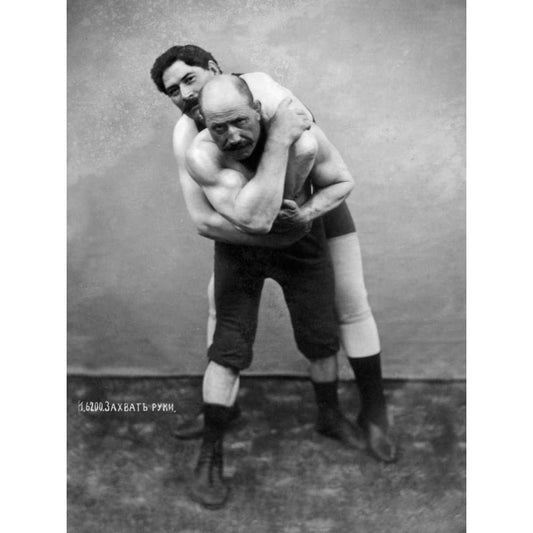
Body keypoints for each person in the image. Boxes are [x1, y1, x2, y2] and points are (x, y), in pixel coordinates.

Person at [150, 45, 396, 463]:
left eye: (190, 79)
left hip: (310, 203)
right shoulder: (188, 137)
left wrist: (302, 216)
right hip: (250, 224)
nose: (185, 94)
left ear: (215, 69)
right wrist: (270, 237)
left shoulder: (263, 90)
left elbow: (312, 146)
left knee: (350, 304)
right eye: (173, 90)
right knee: (223, 312)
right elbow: (205, 221)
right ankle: (222, 408)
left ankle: (375, 415)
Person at [183, 73, 367, 508]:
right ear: (204, 124)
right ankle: (209, 453)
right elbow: (256, 220)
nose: (232, 136)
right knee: (228, 346)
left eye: (240, 122)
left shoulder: (304, 136)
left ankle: (330, 416)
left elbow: (342, 181)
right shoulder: (203, 156)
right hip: (241, 248)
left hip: (300, 238)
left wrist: (306, 214)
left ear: (258, 111)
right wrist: (280, 143)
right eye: (219, 127)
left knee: (321, 335)